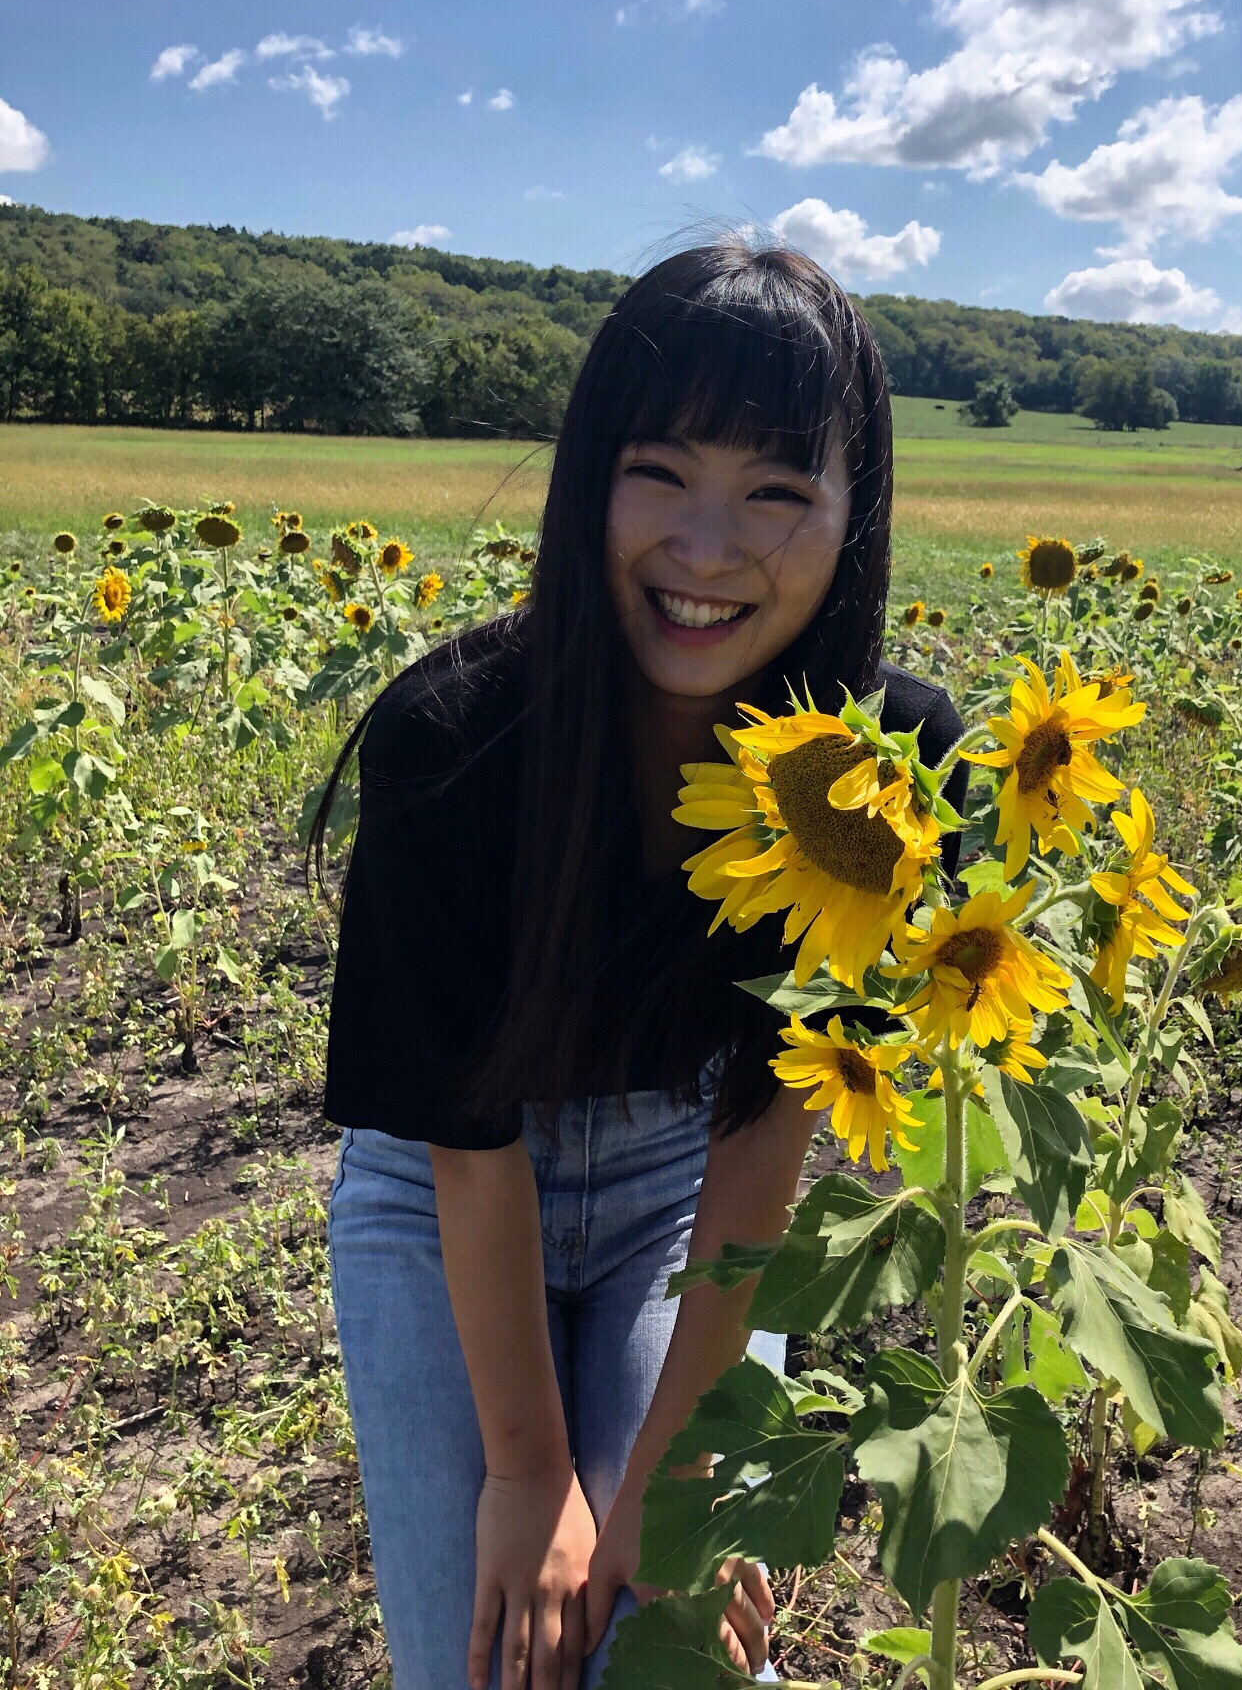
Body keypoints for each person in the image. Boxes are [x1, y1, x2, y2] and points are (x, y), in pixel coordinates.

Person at [316, 239, 965, 1690]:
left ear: (855, 520)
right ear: (587, 476)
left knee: (668, 1652)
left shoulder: (892, 774)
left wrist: (678, 1480)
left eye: (780, 493)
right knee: (493, 1664)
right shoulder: (459, 744)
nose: (710, 547)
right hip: (443, 1187)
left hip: (690, 1178)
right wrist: (529, 1477)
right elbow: (467, 1151)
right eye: (660, 471)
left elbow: (771, 1120)